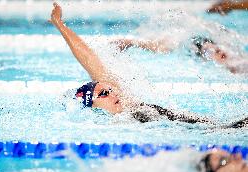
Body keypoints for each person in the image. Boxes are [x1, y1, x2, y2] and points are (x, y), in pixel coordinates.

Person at [50, 3, 247, 126]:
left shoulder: (127, 103)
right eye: (103, 94)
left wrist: (60, 25)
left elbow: (88, 57)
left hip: (200, 126)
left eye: (109, 89)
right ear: (92, 106)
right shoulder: (108, 124)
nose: (112, 93)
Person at [113, 35, 247, 74]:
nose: (219, 52)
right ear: (204, 59)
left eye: (217, 49)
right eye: (211, 52)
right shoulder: (215, 69)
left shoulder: (237, 59)